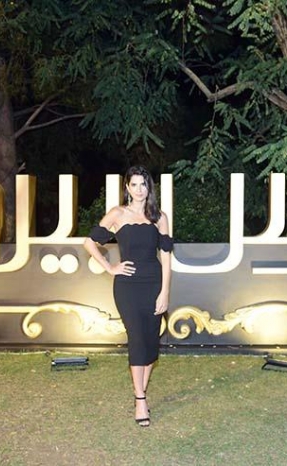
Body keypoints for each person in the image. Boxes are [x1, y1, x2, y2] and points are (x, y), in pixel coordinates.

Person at [83, 165, 173, 427]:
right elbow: (89, 243)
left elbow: (166, 258)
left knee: (150, 342)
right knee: (136, 338)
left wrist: (165, 291)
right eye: (134, 184)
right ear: (127, 187)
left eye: (143, 184)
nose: (139, 189)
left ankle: (141, 390)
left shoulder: (159, 217)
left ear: (149, 187)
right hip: (127, 287)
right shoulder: (117, 213)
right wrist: (110, 267)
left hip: (153, 284)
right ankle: (140, 399)